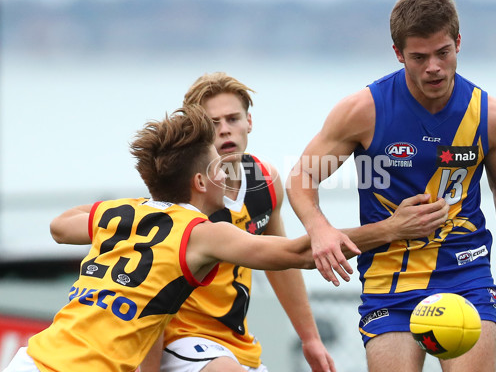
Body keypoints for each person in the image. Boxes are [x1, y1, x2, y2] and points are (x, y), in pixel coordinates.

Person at [1, 105, 439, 372]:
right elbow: (296, 252)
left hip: (32, 359)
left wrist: (132, 207)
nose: (227, 170)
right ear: (199, 182)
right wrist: (390, 229)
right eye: (217, 165)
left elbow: (60, 226)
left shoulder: (125, 214)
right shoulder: (202, 235)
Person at [286, 0, 496, 372]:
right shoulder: (364, 110)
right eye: (419, 57)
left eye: (443, 53)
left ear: (458, 43)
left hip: (465, 272)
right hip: (389, 279)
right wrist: (319, 228)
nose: (434, 67)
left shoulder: (491, 116)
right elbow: (301, 178)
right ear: (399, 54)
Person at [140, 72, 449, 372]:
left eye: (232, 119)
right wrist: (392, 228)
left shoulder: (264, 180)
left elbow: (284, 261)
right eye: (212, 123)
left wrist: (310, 337)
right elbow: (150, 289)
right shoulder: (187, 196)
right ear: (198, 133)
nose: (224, 130)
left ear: (249, 121)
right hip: (181, 342)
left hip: (235, 342)